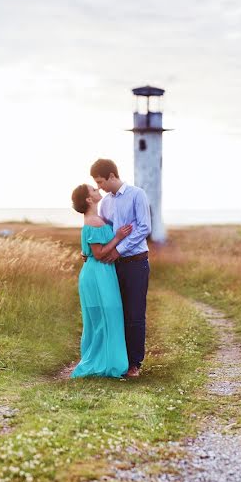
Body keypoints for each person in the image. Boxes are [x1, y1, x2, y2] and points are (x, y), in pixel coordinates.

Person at [90, 158, 151, 378]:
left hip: (136, 263)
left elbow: (144, 227)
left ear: (112, 176)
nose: (99, 187)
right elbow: (104, 231)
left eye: (100, 181)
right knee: (117, 313)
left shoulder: (137, 194)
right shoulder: (106, 202)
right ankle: (119, 360)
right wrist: (93, 249)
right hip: (113, 266)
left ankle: (135, 363)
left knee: (135, 315)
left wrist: (119, 250)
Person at [70, 183, 132, 378]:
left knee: (105, 317)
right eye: (94, 190)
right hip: (98, 274)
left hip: (101, 273)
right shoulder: (94, 222)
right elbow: (98, 254)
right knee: (104, 318)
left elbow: (89, 251)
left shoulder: (96, 219)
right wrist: (119, 237)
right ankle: (102, 363)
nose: (98, 191)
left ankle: (105, 360)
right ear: (89, 199)